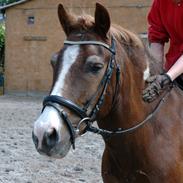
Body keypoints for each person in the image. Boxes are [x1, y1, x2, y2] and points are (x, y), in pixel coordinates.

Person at [142, 0, 183, 102]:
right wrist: (156, 72)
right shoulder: (160, 2)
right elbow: (157, 36)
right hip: (174, 69)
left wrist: (168, 77)